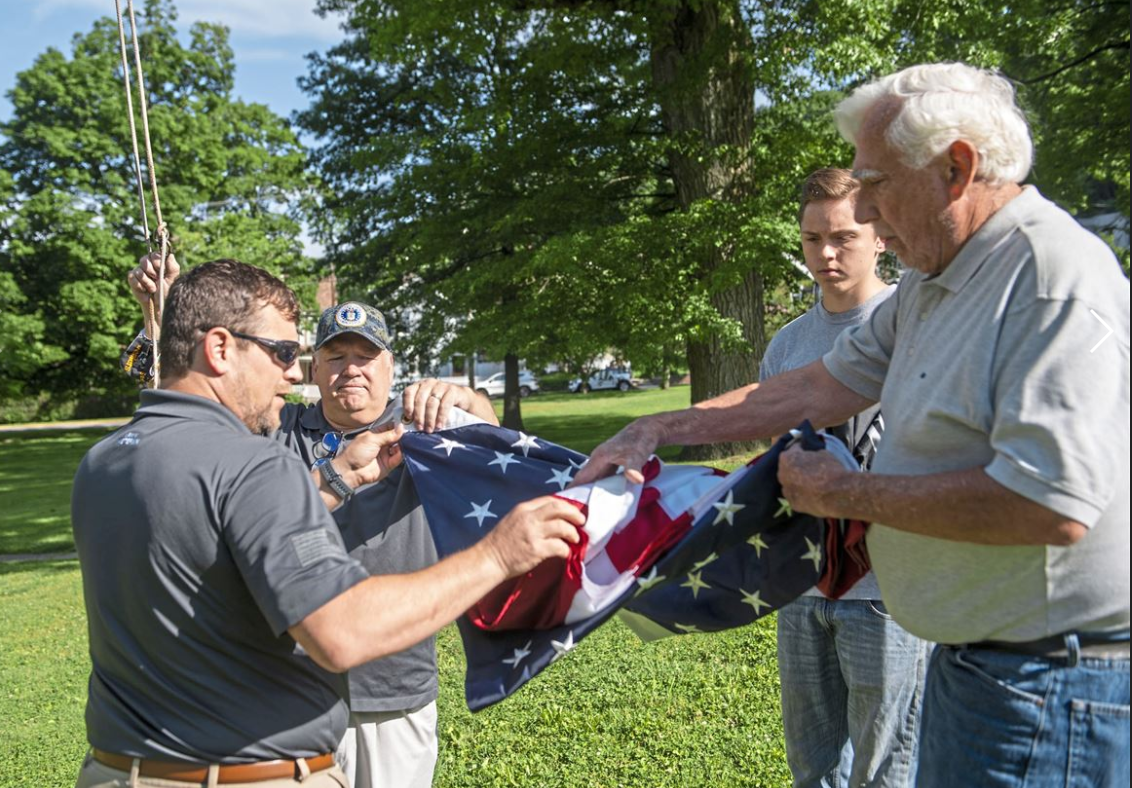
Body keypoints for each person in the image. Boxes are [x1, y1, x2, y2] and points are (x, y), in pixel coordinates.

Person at [574, 62, 1129, 787]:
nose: (864, 213)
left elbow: (1049, 503)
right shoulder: (939, 281)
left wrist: (845, 495)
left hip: (1051, 686)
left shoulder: (1046, 278)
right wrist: (656, 426)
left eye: (877, 183)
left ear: (957, 169)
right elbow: (816, 384)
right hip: (985, 667)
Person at [74, 258, 583, 788]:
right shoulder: (269, 430)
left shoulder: (424, 430)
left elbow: (490, 447)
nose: (350, 368)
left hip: (389, 687)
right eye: (330, 355)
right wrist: (159, 314)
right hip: (284, 702)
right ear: (316, 368)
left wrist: (470, 400)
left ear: (391, 366)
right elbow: (168, 383)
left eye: (367, 356)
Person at [764, 167, 928, 788]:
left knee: (887, 771)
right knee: (812, 769)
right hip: (803, 586)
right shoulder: (787, 344)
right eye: (811, 239)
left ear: (880, 236)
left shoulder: (915, 324)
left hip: (890, 591)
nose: (826, 253)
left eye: (843, 236)